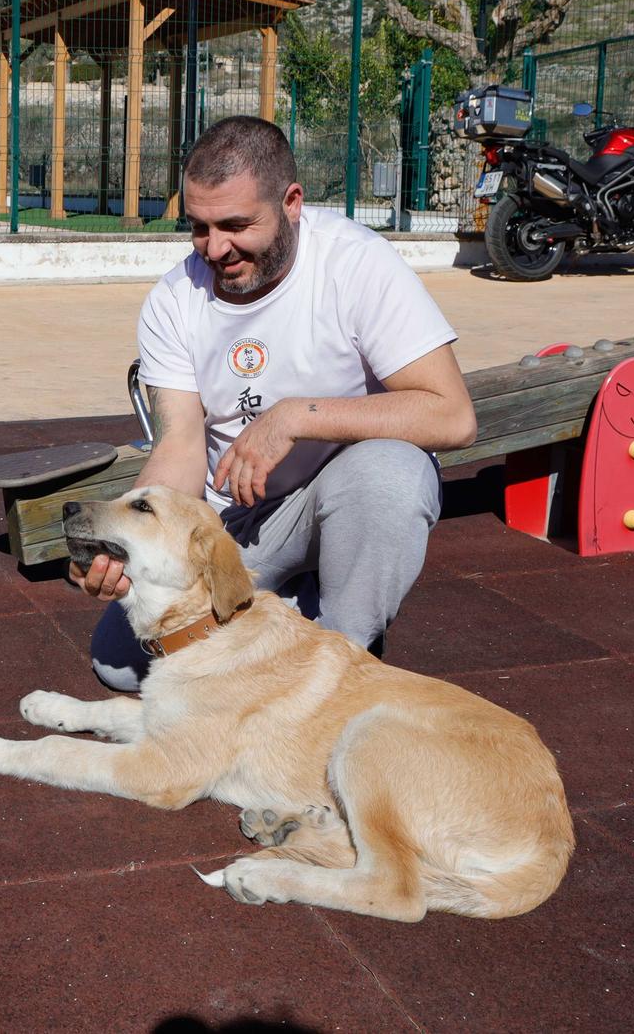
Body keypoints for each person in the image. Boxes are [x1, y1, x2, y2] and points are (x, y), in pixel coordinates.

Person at [71, 115, 477, 691]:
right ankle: (289, 604)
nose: (216, 248)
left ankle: (344, 667)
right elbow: (181, 444)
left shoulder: (355, 264)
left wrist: (293, 417)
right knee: (122, 666)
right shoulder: (174, 298)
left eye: (236, 225)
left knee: (395, 472)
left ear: (291, 202)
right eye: (199, 228)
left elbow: (453, 415)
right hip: (234, 520)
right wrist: (126, 539)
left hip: (338, 494)